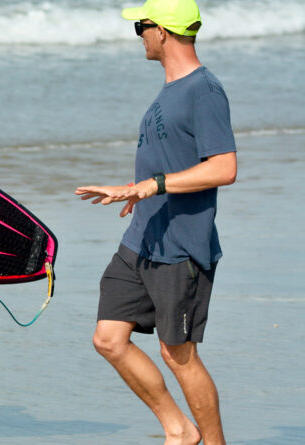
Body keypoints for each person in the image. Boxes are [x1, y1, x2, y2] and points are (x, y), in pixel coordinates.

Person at [75, 1, 236, 444]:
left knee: (178, 354)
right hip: (143, 236)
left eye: (141, 27)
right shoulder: (170, 89)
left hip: (181, 247)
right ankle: (179, 429)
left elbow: (224, 167)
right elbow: (170, 160)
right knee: (108, 338)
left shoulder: (204, 90)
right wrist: (135, 189)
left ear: (162, 31)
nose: (139, 35)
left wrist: (154, 186)